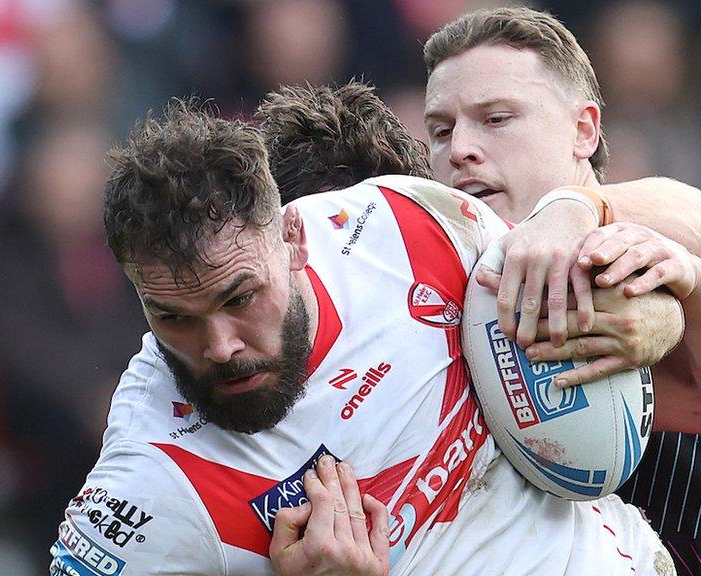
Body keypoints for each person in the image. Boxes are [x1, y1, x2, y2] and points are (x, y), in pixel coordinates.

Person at [49, 99, 680, 575]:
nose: (218, 346)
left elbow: (605, 240)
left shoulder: (404, 223)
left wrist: (659, 313)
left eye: (239, 298)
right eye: (173, 318)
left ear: (295, 238)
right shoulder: (146, 490)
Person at [422, 7, 701, 572]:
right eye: (441, 130)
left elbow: (687, 208)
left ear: (584, 130)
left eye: (496, 118)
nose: (460, 151)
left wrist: (579, 206)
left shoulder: (639, 254)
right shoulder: (441, 296)